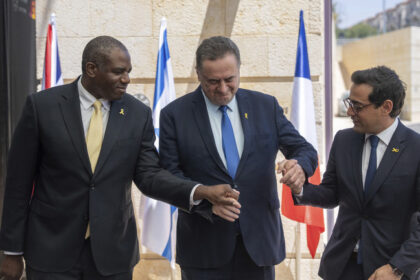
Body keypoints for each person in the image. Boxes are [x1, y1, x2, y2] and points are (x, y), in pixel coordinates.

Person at [0, 36, 240, 280]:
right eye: (118, 72)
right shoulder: (42, 107)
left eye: (128, 71)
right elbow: (18, 183)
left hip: (113, 255)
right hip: (50, 251)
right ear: (91, 69)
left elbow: (150, 176)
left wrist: (201, 192)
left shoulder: (137, 114)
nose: (126, 79)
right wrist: (11, 251)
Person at [159, 36, 317, 280]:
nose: (223, 89)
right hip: (203, 249)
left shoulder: (265, 106)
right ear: (198, 74)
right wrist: (206, 202)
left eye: (229, 79)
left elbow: (304, 150)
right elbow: (169, 177)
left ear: (239, 70)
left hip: (259, 246)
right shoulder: (175, 115)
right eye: (213, 81)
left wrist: (300, 167)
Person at [282, 66, 420, 279]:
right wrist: (300, 188)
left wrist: (397, 267)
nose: (349, 112)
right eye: (349, 103)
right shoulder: (344, 140)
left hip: (388, 270)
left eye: (357, 106)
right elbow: (331, 193)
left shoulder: (416, 148)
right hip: (342, 266)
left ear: (386, 107)